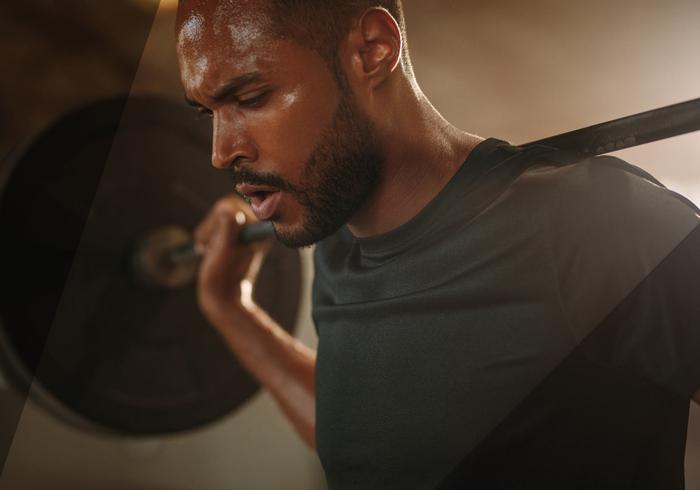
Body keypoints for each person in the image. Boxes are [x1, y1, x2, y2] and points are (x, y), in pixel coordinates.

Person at [175, 1, 700, 488]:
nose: (222, 152)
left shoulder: (598, 223)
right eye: (207, 112)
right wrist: (232, 311)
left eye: (249, 98)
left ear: (372, 51)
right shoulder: (340, 248)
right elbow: (385, 444)